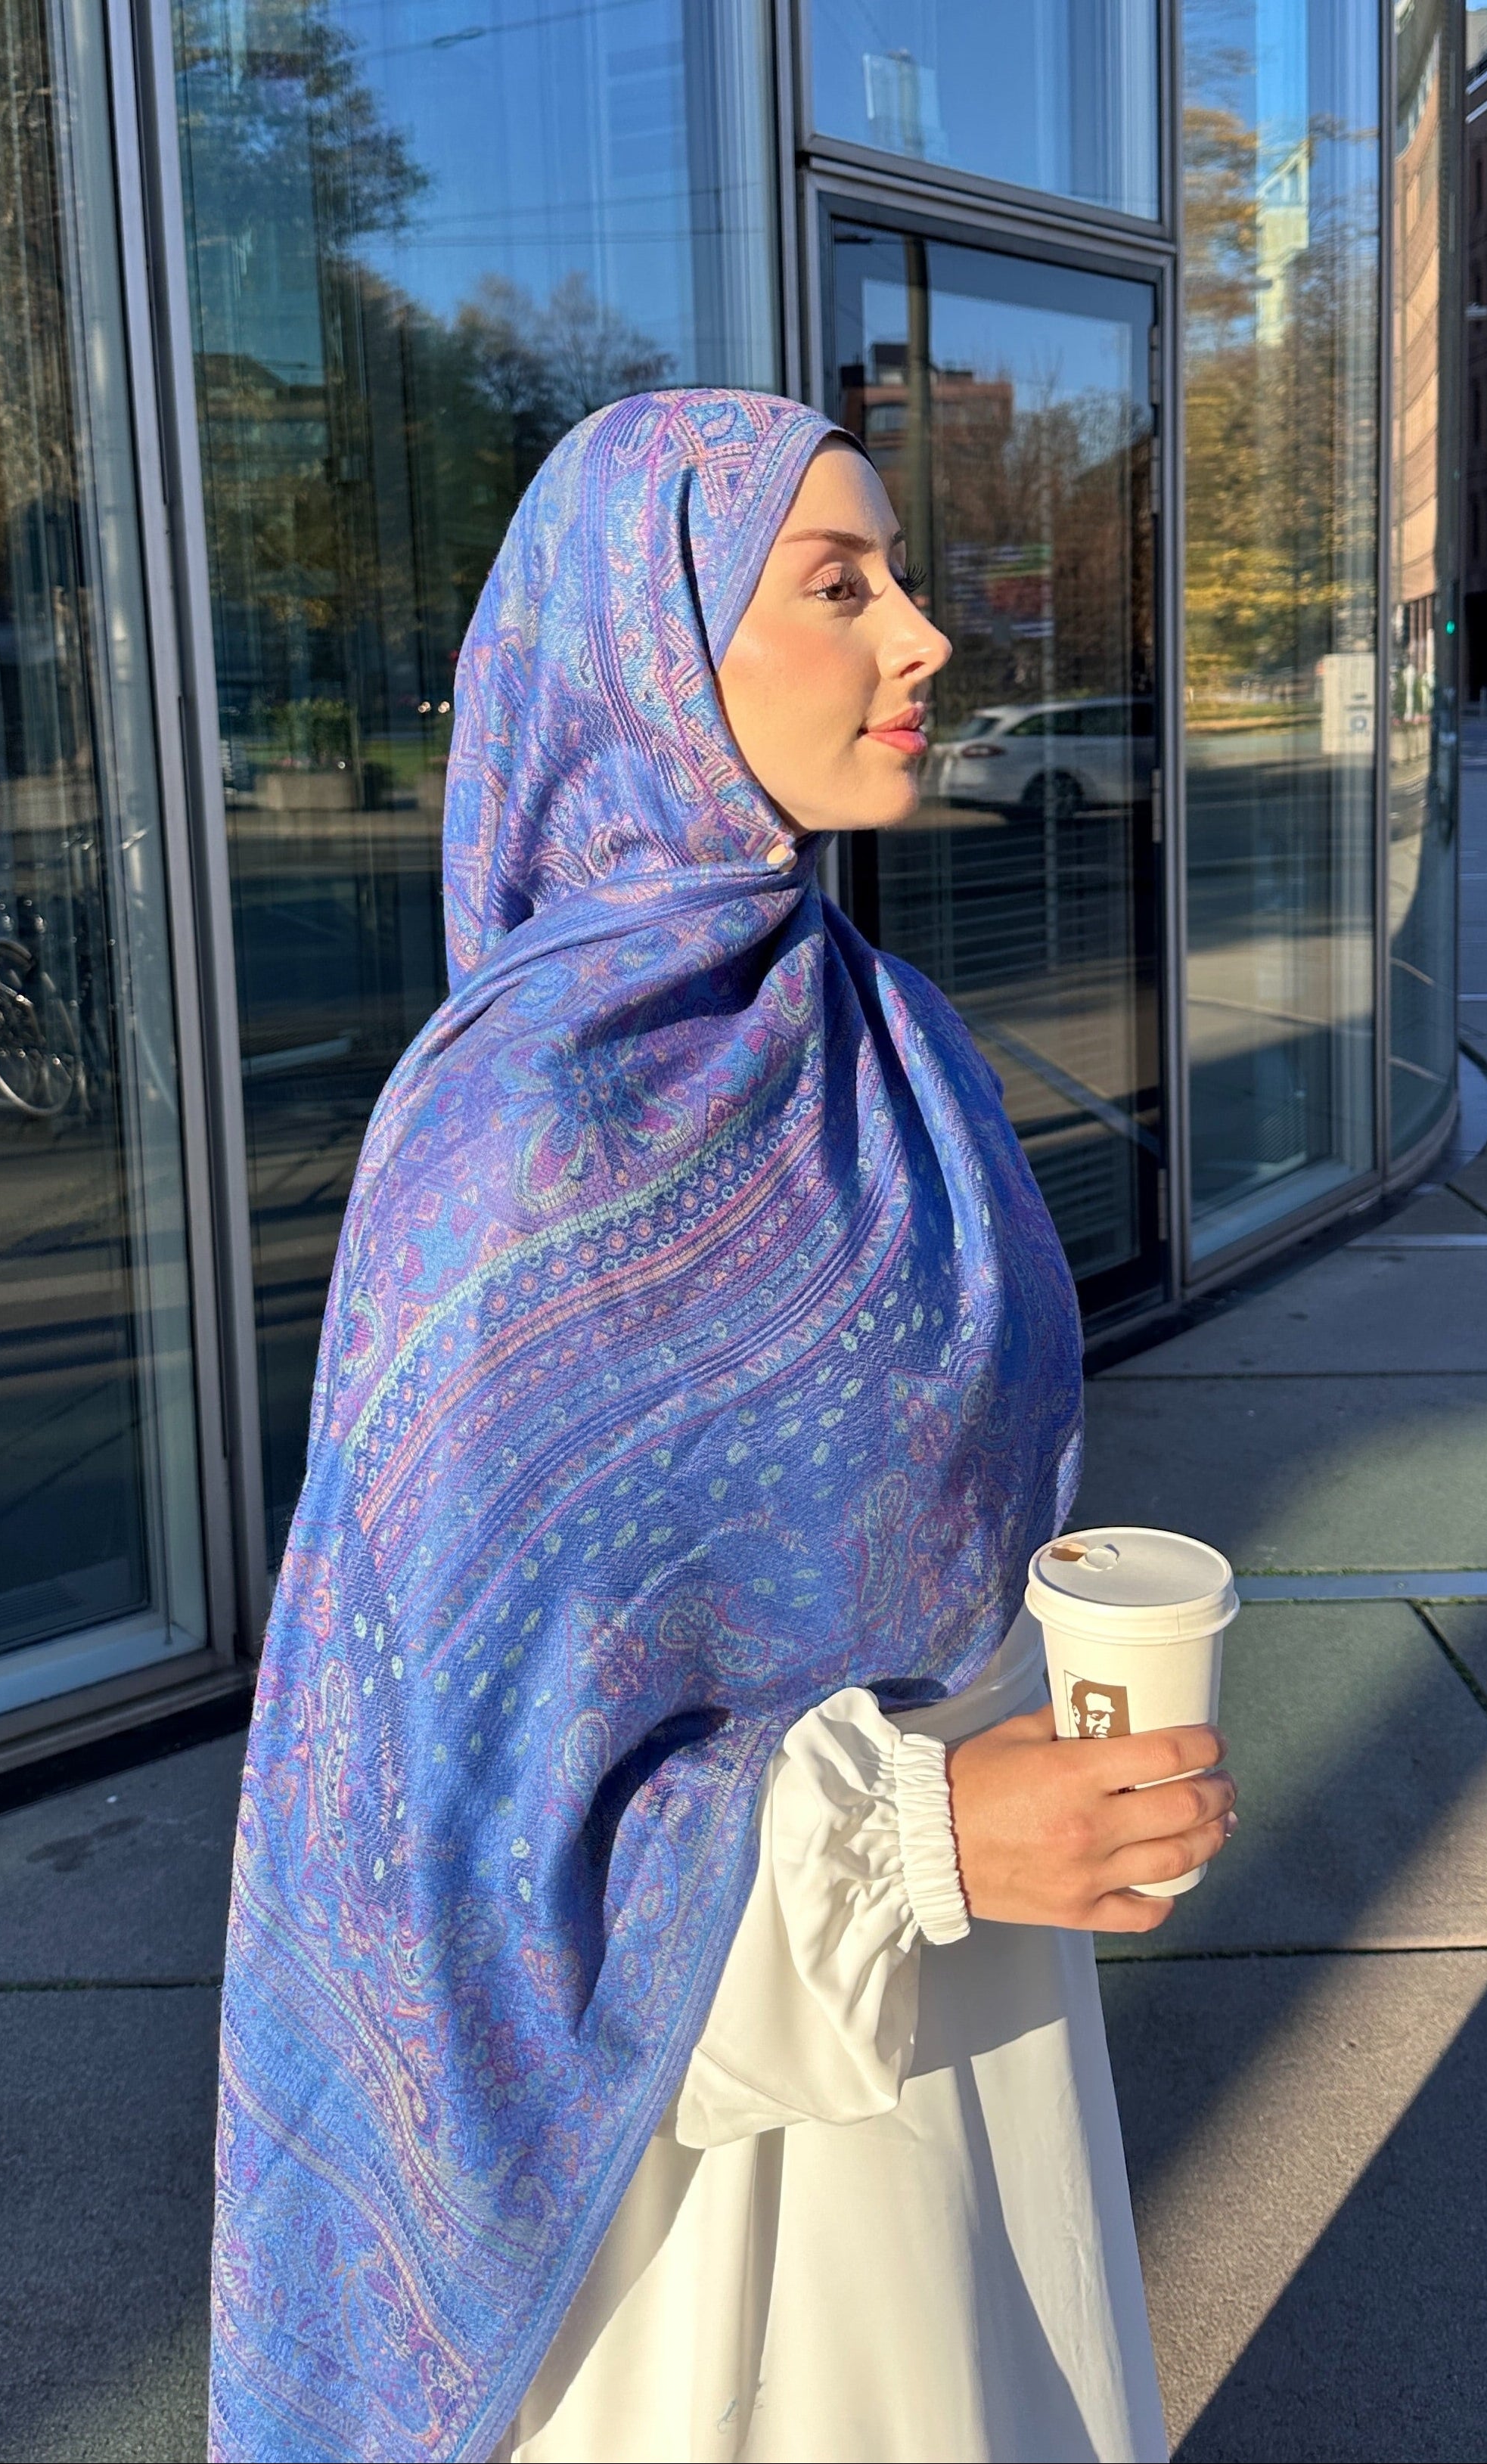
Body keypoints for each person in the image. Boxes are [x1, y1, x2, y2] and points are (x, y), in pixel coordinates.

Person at [208, 389, 1234, 2464]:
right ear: (649, 654)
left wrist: (1051, 1785)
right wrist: (923, 1836)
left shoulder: (889, 1037)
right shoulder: (508, 1137)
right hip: (682, 2182)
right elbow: (444, 1815)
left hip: (971, 2044)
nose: (924, 637)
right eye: (839, 588)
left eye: (903, 581)